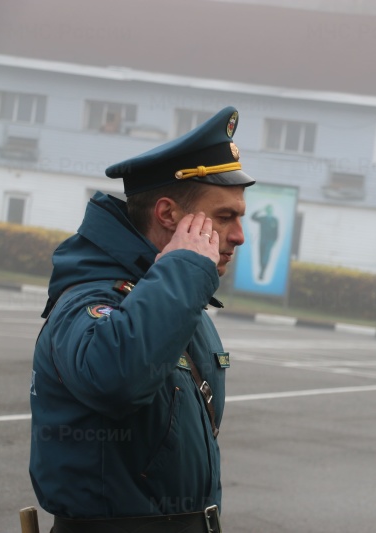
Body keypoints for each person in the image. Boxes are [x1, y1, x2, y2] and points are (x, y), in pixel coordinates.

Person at [29, 106, 255, 532]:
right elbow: (116, 378)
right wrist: (186, 269)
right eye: (225, 216)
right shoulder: (89, 299)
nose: (239, 235)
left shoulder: (177, 298)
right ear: (168, 214)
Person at [251, 204, 279, 280]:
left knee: (266, 256)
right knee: (261, 256)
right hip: (262, 240)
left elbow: (276, 232)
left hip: (270, 241)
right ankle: (261, 270)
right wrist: (260, 210)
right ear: (266, 210)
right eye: (268, 209)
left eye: (270, 209)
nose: (269, 211)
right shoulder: (263, 219)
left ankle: (262, 272)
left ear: (272, 210)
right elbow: (253, 218)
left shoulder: (275, 220)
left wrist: (274, 241)